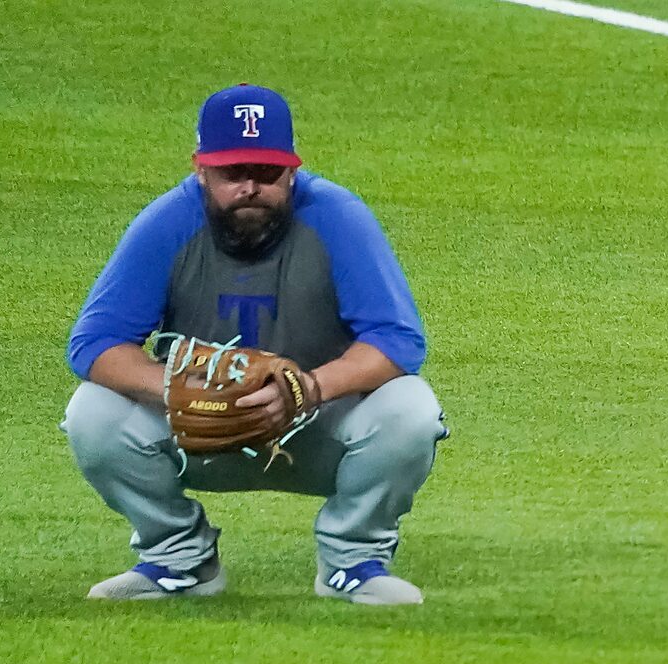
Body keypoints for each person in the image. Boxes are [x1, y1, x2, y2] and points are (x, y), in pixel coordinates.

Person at [65, 84, 443, 605]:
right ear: (201, 169)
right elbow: (95, 343)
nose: (250, 187)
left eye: (267, 173)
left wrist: (307, 387)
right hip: (200, 434)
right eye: (232, 173)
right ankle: (181, 561)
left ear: (292, 170)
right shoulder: (167, 223)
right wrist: (178, 390)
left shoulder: (338, 216)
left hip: (317, 428)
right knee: (93, 412)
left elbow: (397, 339)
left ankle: (353, 561)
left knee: (411, 409)